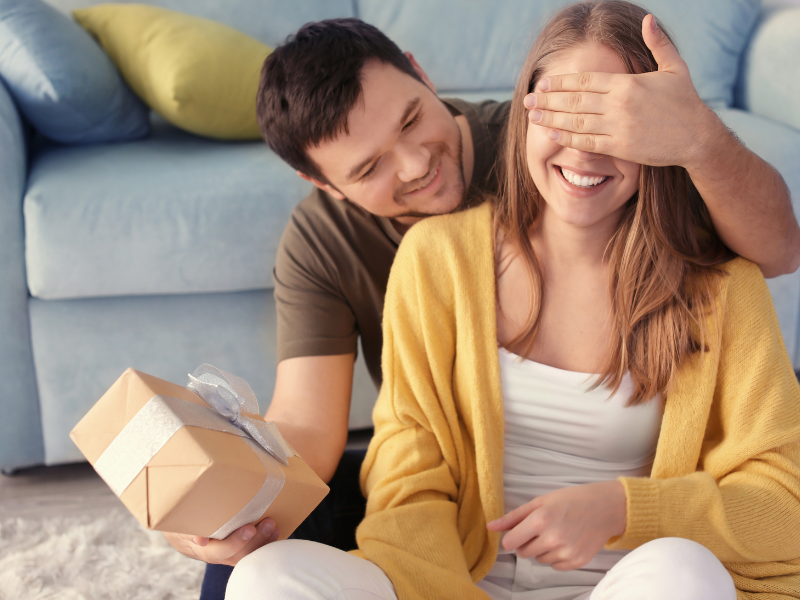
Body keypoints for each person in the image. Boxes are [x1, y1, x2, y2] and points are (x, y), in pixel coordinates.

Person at [164, 13, 800, 600]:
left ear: (423, 73)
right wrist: (221, 503)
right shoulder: (405, 252)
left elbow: (777, 247)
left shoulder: (707, 266)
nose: (416, 164)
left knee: (686, 570)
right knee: (254, 571)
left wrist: (697, 139)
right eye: (368, 168)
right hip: (455, 510)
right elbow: (329, 429)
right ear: (324, 184)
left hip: (634, 567)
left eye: (412, 121)